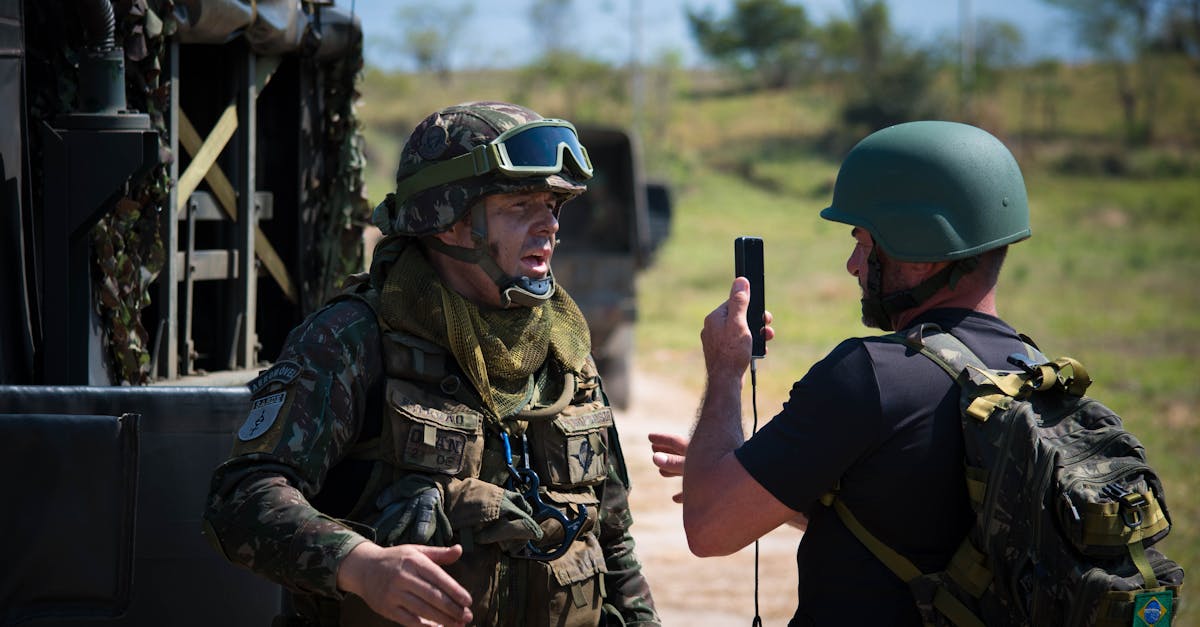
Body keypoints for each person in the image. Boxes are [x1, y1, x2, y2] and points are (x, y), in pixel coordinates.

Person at [204, 101, 660, 627]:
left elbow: (612, 539)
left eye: (553, 204)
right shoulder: (353, 338)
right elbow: (241, 499)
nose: (549, 226)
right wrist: (361, 565)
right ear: (449, 221)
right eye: (519, 205)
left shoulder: (564, 348)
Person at [650, 120, 1033, 625]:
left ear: (919, 249)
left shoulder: (869, 376)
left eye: (864, 242)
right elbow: (911, 523)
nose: (854, 265)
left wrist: (725, 370)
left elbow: (708, 528)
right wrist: (761, 483)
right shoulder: (1029, 371)